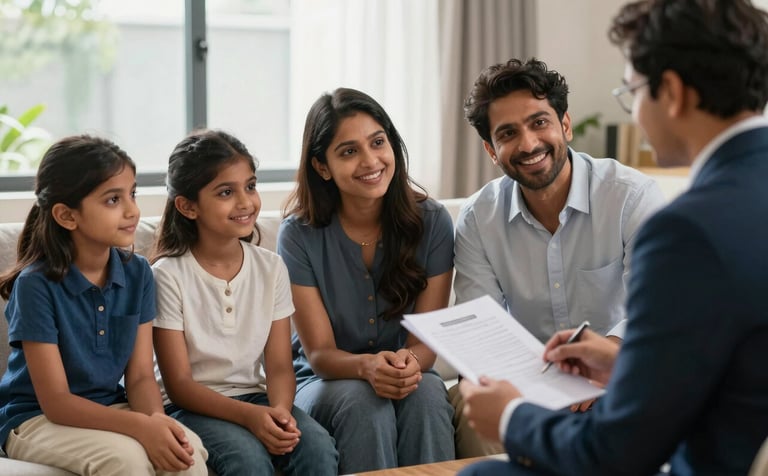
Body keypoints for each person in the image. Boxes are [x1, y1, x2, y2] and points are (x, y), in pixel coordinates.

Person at [458, 0, 768, 474]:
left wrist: (512, 416)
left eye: (633, 91)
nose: (634, 112)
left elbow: (618, 451)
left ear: (672, 92)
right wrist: (625, 365)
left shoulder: (684, 228)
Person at [451, 57, 666, 457]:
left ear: (564, 124)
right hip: (525, 387)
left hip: (620, 377)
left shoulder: (630, 197)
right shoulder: (478, 218)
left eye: (539, 122)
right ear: (491, 150)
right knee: (468, 406)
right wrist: (528, 392)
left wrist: (607, 367)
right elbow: (479, 329)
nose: (529, 144)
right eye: (508, 133)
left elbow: (656, 312)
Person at [0, 135, 208, 475]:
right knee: (126, 461)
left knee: (188, 452)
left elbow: (140, 377)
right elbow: (56, 402)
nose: (132, 210)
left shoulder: (138, 272)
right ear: (67, 216)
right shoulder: (35, 286)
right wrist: (141, 428)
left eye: (133, 193)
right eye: (113, 199)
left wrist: (156, 423)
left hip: (110, 406)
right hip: (35, 418)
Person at [277, 88, 455, 473]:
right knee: (363, 402)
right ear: (322, 167)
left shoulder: (434, 223)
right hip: (323, 382)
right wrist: (366, 368)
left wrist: (408, 363)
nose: (370, 161)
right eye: (348, 151)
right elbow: (320, 354)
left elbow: (425, 345)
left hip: (407, 373)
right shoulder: (298, 235)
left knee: (425, 392)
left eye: (378, 142)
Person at [151, 129, 338, 476]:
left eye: (250, 186)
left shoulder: (271, 267)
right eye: (226, 192)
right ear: (188, 206)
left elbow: (280, 366)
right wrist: (251, 418)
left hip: (255, 397)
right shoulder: (167, 275)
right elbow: (179, 385)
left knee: (318, 449)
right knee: (246, 461)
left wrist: (280, 412)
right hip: (189, 407)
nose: (245, 202)